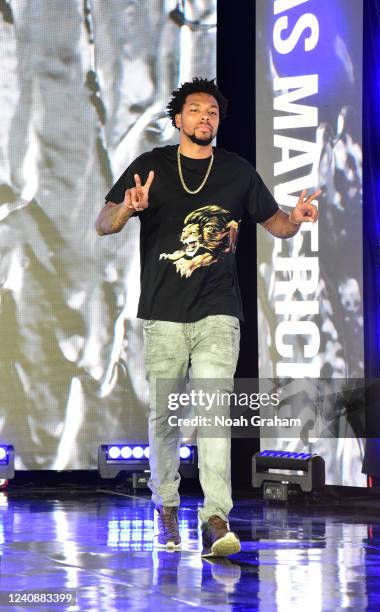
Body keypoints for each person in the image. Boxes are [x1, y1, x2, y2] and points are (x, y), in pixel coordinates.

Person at [95, 77, 320, 557]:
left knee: (215, 416)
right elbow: (103, 223)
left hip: (219, 312)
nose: (204, 118)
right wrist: (125, 211)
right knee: (166, 419)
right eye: (195, 110)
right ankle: (166, 507)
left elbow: (274, 222)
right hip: (164, 314)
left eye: (212, 112)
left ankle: (216, 517)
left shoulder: (236, 171)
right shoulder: (151, 167)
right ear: (179, 119)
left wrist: (295, 220)